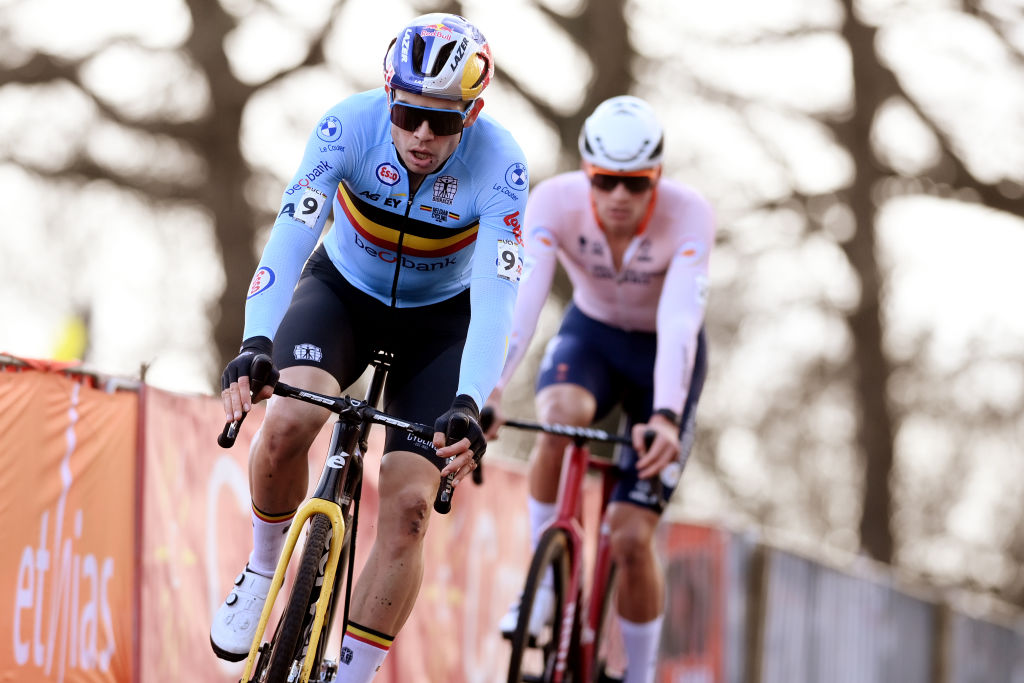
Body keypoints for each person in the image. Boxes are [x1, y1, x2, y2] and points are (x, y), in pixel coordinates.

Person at [209, 13, 527, 681]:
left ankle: (352, 673)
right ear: (389, 98)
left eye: (442, 123)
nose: (420, 134)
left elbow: (499, 298)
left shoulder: (502, 164)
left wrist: (470, 400)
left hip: (440, 325)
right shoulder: (346, 126)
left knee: (411, 507)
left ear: (472, 114)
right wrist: (256, 339)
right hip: (343, 297)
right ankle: (265, 566)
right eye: (408, 114)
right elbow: (292, 235)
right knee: (290, 419)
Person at [485, 95, 712, 683]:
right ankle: (541, 589)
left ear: (656, 179)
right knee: (558, 416)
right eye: (605, 181)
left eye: (635, 185)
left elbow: (682, 323)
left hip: (661, 358)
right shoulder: (554, 201)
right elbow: (524, 303)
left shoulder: (690, 214)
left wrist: (665, 415)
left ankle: (638, 673)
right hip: (592, 339)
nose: (618, 197)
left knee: (632, 536)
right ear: (587, 172)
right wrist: (490, 388)